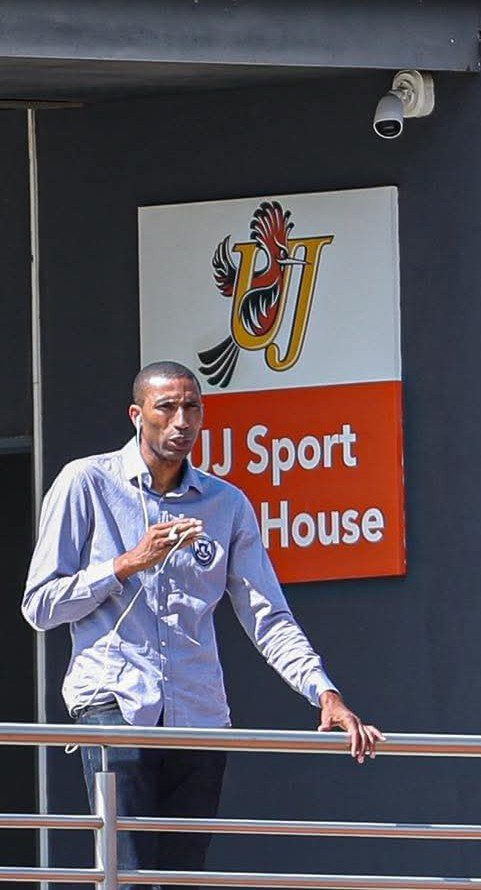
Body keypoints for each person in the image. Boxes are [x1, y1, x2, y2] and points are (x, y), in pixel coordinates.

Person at [22, 361, 382, 886]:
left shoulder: (225, 503)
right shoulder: (88, 481)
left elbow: (267, 614)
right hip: (116, 706)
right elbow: (40, 605)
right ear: (136, 414)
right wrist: (126, 564)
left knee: (185, 879)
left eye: (192, 407)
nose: (181, 421)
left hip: (199, 716)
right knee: (129, 875)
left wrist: (324, 693)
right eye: (166, 407)